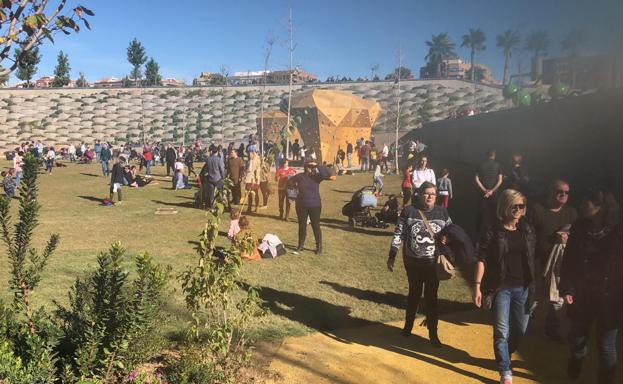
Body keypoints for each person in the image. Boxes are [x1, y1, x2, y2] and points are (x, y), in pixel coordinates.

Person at [473, 189, 536, 384]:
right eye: (514, 206)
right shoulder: (493, 230)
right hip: (501, 288)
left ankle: (504, 355)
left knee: (520, 330)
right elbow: (481, 259)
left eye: (521, 206)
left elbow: (537, 256)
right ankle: (505, 371)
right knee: (502, 331)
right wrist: (476, 286)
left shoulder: (527, 229)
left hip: (524, 288)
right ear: (505, 207)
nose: (518, 210)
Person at [559, 187, 622, 384]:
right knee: (577, 338)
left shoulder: (619, 231)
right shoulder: (579, 227)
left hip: (610, 297)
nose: (581, 207)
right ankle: (577, 358)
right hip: (583, 293)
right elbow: (568, 259)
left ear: (601, 207)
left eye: (586, 204)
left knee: (606, 345)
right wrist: (567, 287)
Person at [387, 182, 452, 347]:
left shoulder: (442, 213)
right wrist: (392, 255)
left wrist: (448, 249)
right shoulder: (409, 211)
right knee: (414, 293)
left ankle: (433, 333)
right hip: (413, 262)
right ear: (420, 194)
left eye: (433, 194)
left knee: (432, 296)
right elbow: (398, 234)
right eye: (427, 193)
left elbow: (452, 235)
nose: (430, 196)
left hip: (432, 263)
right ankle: (408, 326)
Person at [529, 179, 577, 343]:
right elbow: (529, 235)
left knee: (558, 300)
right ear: (551, 192)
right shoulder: (538, 210)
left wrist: (567, 236)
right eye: (559, 191)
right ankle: (523, 326)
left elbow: (578, 235)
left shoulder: (571, 212)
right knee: (534, 297)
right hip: (539, 261)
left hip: (560, 265)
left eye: (566, 192)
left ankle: (552, 329)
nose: (563, 195)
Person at [286, 160, 331, 254]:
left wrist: (317, 165)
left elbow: (327, 173)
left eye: (311, 166)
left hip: (315, 205)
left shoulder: (317, 177)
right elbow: (289, 181)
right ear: (304, 167)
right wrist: (294, 186)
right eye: (308, 166)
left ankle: (319, 247)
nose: (310, 168)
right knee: (302, 226)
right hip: (301, 205)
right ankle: (300, 245)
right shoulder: (300, 176)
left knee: (316, 226)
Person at [475, 149, 503, 236]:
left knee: (481, 212)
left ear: (486, 155)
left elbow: (476, 179)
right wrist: (492, 190)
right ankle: (495, 230)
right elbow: (500, 180)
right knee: (495, 211)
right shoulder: (498, 165)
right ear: (494, 156)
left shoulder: (480, 165)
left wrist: (485, 190)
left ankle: (478, 231)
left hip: (483, 192)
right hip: (494, 193)